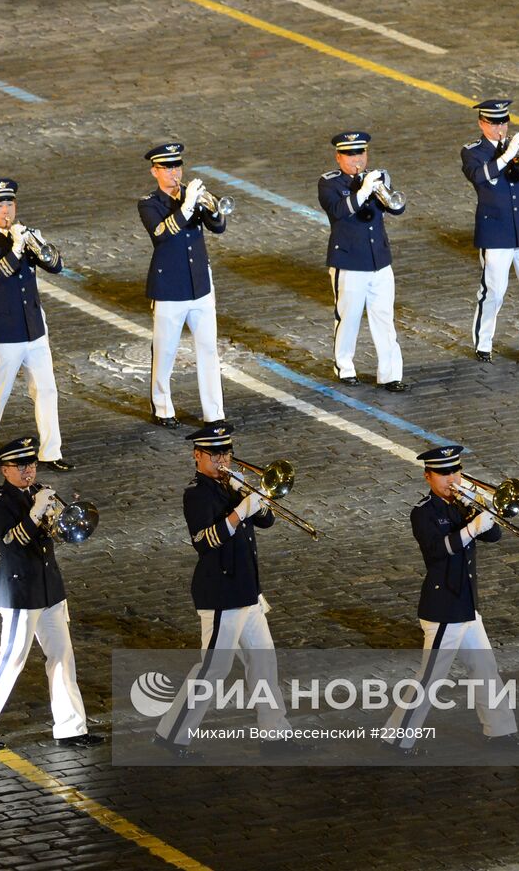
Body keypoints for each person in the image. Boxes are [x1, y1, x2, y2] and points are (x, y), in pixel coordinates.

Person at [152, 423, 297, 760]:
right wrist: (239, 510)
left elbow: (267, 522)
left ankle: (275, 734)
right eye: (215, 453)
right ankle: (171, 735)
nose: (222, 459)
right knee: (213, 669)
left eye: (226, 452)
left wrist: (253, 499)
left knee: (264, 664)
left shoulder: (232, 485)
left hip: (248, 591)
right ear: (197, 456)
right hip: (221, 593)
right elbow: (205, 542)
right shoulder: (197, 494)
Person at [380, 446, 519, 756]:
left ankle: (500, 731)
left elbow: (493, 537)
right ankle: (397, 737)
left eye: (455, 471)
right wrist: (472, 527)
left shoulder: (465, 504)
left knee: (486, 670)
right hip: (444, 607)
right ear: (428, 476)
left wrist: (482, 508)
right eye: (444, 473)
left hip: (466, 606)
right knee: (431, 677)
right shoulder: (423, 512)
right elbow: (438, 550)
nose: (452, 479)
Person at [0, 437, 101, 750]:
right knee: (11, 659)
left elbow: (61, 532)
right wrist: (37, 512)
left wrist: (63, 515)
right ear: (5, 470)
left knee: (63, 657)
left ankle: (71, 728)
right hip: (19, 589)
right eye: (20, 465)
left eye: (31, 464)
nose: (28, 471)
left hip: (49, 587)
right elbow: (11, 542)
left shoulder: (41, 491)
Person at [0, 179, 73, 471]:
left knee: (46, 389)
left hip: (34, 326)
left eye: (10, 204)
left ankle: (51, 451)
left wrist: (35, 244)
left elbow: (56, 265)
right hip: (5, 329)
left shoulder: (27, 236)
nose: (6, 211)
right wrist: (16, 247)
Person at [138, 143, 228, 428]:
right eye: (167, 168)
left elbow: (219, 227)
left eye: (177, 167)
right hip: (169, 288)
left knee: (208, 350)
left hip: (200, 284)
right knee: (165, 351)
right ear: (155, 171)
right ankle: (162, 407)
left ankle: (214, 413)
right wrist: (188, 205)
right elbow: (162, 234)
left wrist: (208, 206)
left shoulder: (191, 195)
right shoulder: (149, 203)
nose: (174, 173)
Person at [462, 99, 519, 368]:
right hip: (495, 233)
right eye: (494, 123)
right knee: (494, 291)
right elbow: (480, 177)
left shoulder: (518, 144)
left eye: (503, 122)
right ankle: (483, 341)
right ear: (482, 123)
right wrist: (505, 156)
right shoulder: (473, 152)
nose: (500, 128)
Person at [317, 130, 408, 392]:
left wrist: (380, 188)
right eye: (350, 154)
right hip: (349, 261)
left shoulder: (377, 176)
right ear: (338, 157)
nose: (356, 159)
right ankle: (344, 367)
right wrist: (363, 191)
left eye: (360, 153)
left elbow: (396, 208)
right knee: (349, 317)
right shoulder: (329, 183)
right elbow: (338, 211)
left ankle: (391, 373)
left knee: (384, 317)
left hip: (379, 258)